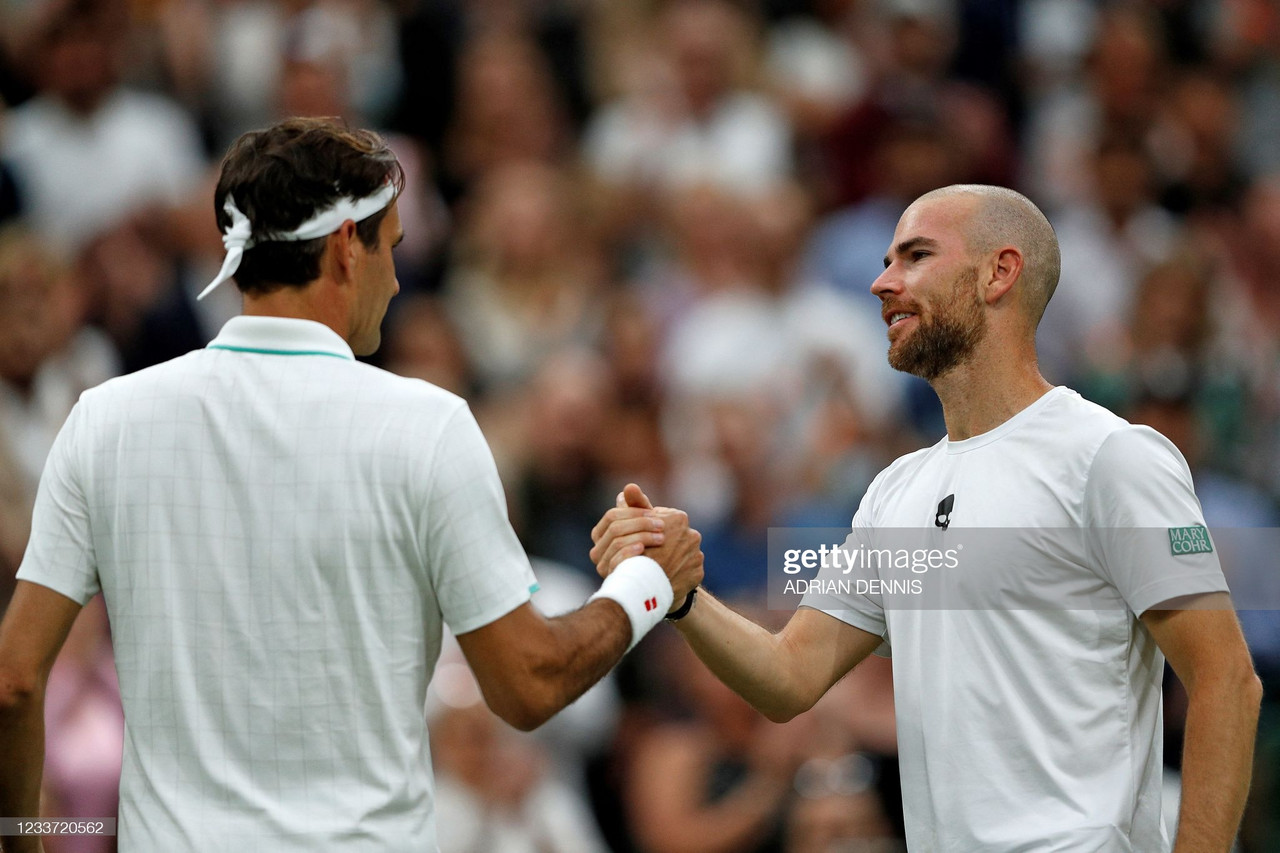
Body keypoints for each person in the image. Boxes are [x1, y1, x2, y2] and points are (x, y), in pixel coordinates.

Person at [0, 117, 703, 853]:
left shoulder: (103, 419)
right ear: (344, 247)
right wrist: (648, 584)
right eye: (390, 248)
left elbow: (15, 678)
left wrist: (25, 844)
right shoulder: (429, 426)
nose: (397, 278)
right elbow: (528, 684)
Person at [592, 185, 1262, 851]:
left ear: (999, 272)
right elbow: (788, 678)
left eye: (914, 256)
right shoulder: (897, 490)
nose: (883, 282)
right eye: (886, 260)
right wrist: (680, 596)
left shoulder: (1109, 457)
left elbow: (1226, 679)